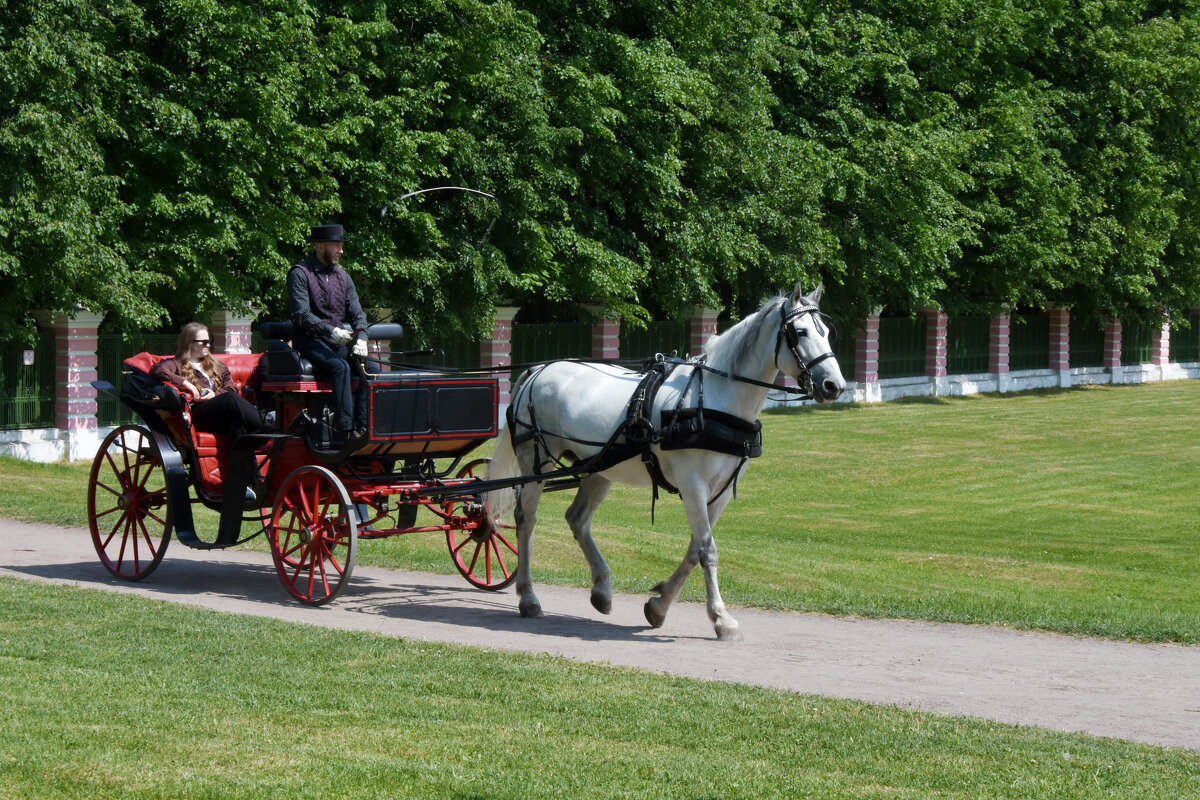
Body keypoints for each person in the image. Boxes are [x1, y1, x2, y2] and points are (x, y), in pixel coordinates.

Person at [150, 322, 265, 502]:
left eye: (209, 341)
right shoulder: (176, 364)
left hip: (221, 414)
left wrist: (213, 394)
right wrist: (185, 383)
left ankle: (244, 485)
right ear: (189, 342)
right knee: (230, 401)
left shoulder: (216, 366)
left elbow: (230, 388)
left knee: (238, 428)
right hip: (198, 415)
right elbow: (157, 370)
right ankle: (264, 427)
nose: (208, 345)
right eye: (203, 342)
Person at [287, 223, 369, 444]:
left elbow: (357, 314)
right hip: (309, 340)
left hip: (336, 341)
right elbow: (301, 315)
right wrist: (330, 330)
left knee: (370, 369)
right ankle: (346, 431)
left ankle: (365, 427)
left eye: (342, 245)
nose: (341, 250)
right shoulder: (300, 273)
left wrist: (361, 337)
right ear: (320, 246)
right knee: (340, 367)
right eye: (337, 245)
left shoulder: (344, 277)